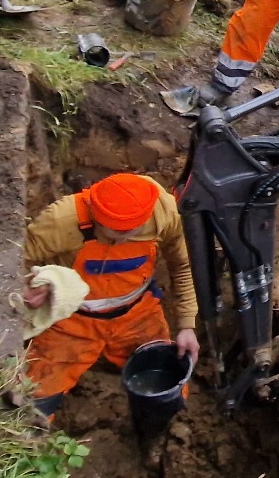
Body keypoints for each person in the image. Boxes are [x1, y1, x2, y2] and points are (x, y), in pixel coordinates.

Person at [21, 172, 199, 424]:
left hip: (137, 316)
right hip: (70, 323)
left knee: (166, 387)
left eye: (133, 231)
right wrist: (26, 287)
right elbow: (15, 260)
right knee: (33, 397)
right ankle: (30, 447)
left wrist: (187, 325)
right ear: (95, 213)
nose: (125, 239)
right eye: (116, 231)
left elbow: (182, 266)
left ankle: (156, 435)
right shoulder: (61, 220)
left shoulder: (164, 213)